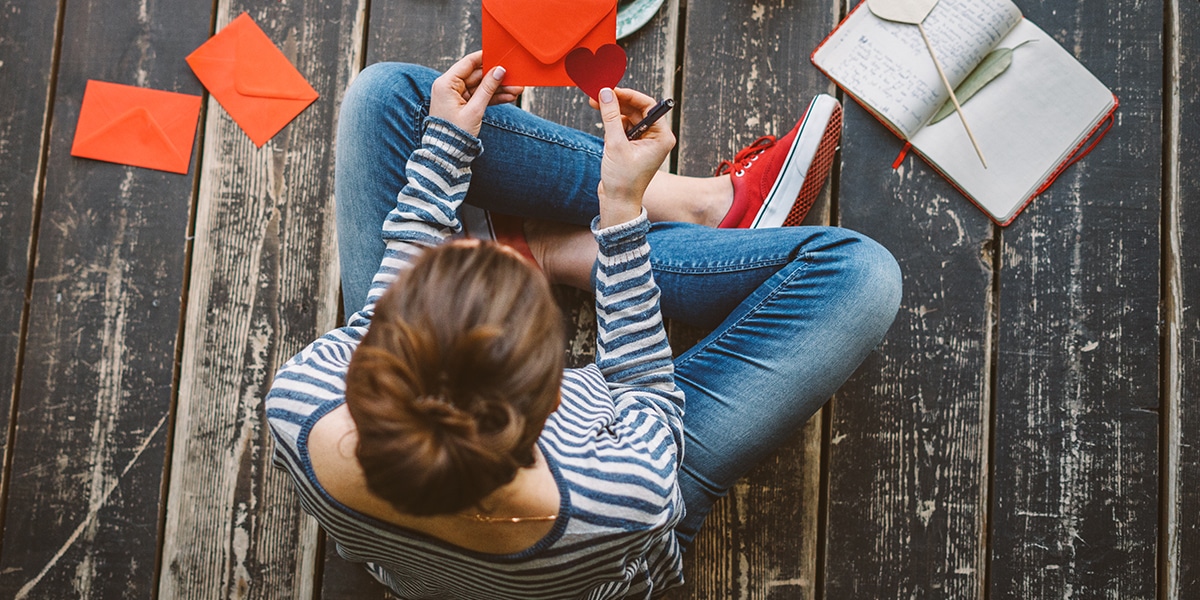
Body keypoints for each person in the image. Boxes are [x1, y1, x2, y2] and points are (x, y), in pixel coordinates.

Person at [265, 51, 901, 599]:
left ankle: (590, 235)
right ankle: (594, 241)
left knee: (385, 97)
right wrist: (620, 212)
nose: (455, 242)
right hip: (623, 505)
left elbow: (389, 292)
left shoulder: (298, 402)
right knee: (862, 275)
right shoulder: (629, 492)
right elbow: (641, 386)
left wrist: (447, 150)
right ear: (563, 390)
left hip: (426, 559)